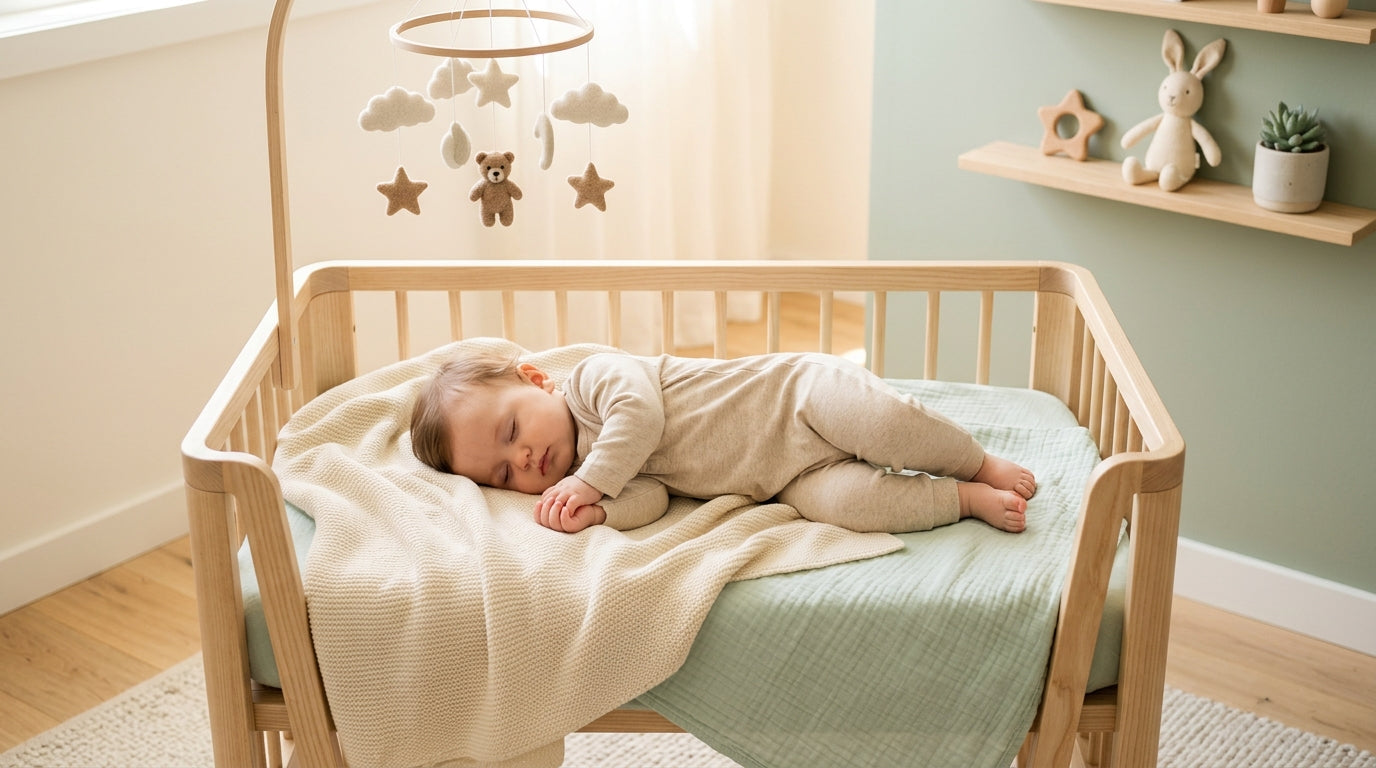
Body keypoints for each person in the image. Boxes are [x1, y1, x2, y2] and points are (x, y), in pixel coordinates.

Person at [410, 347, 1036, 535]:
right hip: (784, 479)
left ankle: (976, 461)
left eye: (511, 431)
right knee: (854, 507)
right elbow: (654, 497)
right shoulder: (606, 473)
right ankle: (960, 499)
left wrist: (590, 481)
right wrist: (603, 511)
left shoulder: (597, 382)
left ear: (537, 380)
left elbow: (641, 416)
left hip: (796, 396)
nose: (521, 460)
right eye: (501, 476)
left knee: (886, 425)